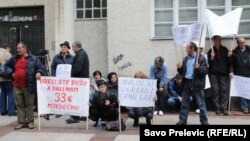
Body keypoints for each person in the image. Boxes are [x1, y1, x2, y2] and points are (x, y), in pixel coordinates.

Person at [5, 42, 45, 129]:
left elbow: (41, 68)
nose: (17, 50)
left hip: (29, 86)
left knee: (29, 105)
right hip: (16, 86)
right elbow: (6, 66)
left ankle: (30, 122)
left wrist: (39, 72)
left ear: (25, 49)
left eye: (19, 48)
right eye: (17, 48)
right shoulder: (14, 58)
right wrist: (11, 72)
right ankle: (21, 122)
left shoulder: (33, 59)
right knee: (19, 105)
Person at [176, 42, 209, 125]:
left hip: (196, 83)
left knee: (201, 103)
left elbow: (205, 71)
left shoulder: (201, 58)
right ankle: (182, 120)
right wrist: (179, 68)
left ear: (192, 49)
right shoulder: (185, 59)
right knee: (184, 103)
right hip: (186, 82)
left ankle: (204, 122)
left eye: (187, 48)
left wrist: (199, 68)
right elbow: (182, 72)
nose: (186, 49)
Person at [65, 41, 89, 124]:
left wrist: (69, 74)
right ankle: (83, 115)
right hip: (81, 80)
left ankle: (75, 117)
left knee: (76, 99)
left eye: (73, 47)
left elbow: (77, 68)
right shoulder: (81, 54)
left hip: (79, 80)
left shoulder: (81, 54)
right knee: (81, 99)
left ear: (77, 47)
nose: (72, 48)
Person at [207, 35, 230, 115]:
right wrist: (212, 58)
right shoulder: (210, 51)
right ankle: (217, 108)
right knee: (215, 91)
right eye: (217, 39)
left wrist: (229, 56)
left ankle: (224, 108)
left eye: (220, 39)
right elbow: (208, 65)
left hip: (223, 73)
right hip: (213, 74)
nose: (219, 41)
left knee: (224, 91)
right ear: (214, 40)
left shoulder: (225, 49)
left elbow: (228, 62)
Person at [51, 41, 73, 118]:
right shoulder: (56, 57)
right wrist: (53, 77)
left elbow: (73, 68)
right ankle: (59, 111)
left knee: (68, 95)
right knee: (59, 95)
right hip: (59, 80)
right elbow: (53, 67)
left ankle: (68, 110)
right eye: (62, 47)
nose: (63, 48)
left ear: (68, 49)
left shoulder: (72, 58)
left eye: (65, 47)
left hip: (68, 80)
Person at [229, 37, 250, 114]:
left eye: (244, 42)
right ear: (237, 43)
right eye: (241, 43)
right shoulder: (234, 52)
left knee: (249, 91)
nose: (243, 44)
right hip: (240, 75)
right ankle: (244, 107)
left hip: (249, 74)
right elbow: (231, 64)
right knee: (242, 92)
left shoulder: (249, 50)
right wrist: (231, 71)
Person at [0, 43, 15, 116]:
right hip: (7, 77)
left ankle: (2, 110)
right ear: (7, 47)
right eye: (10, 48)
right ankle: (11, 111)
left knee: (2, 93)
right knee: (10, 93)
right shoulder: (7, 54)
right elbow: (12, 64)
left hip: (0, 77)